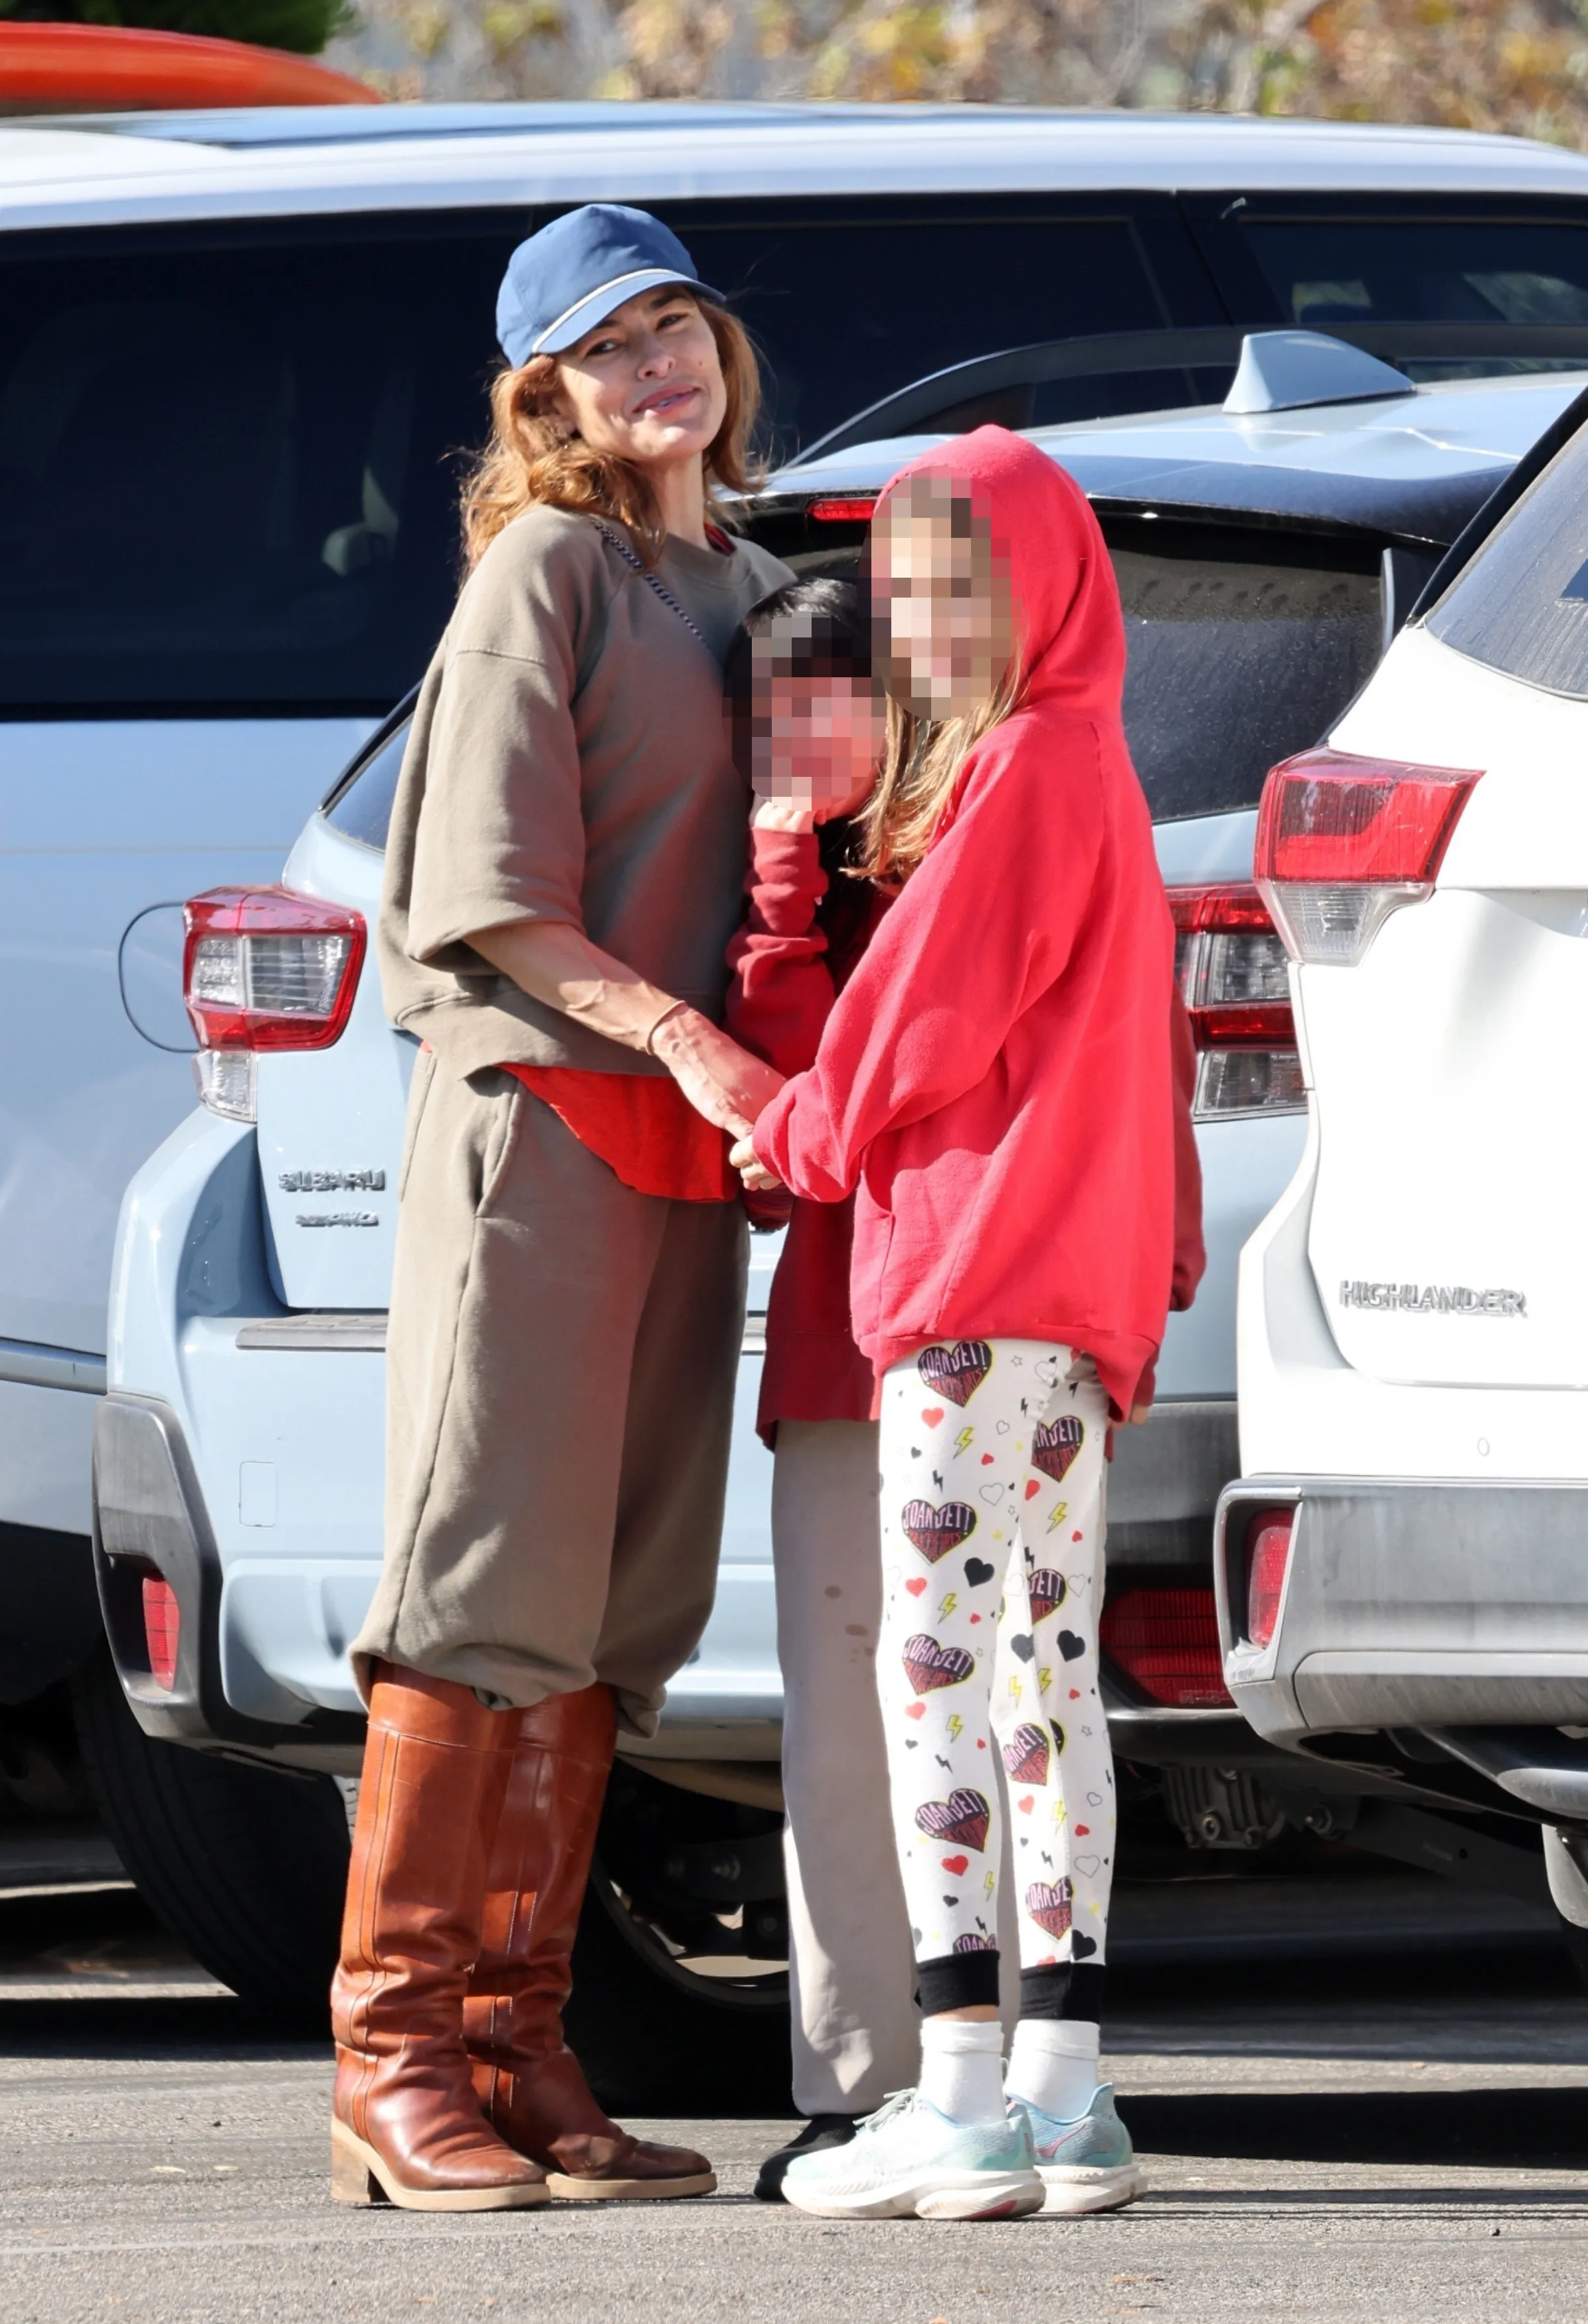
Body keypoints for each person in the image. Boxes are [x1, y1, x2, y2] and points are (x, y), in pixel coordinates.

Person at [329, 203, 792, 2214]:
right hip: (549, 1124)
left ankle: (521, 2041)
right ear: (550, 399)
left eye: (675, 323)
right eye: (607, 349)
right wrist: (691, 1041)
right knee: (479, 1583)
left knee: (611, 1615)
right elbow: (491, 893)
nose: (655, 368)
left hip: (697, 1157)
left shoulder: (760, 580)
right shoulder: (553, 570)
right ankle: (393, 2053)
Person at [732, 427, 1201, 2224]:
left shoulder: (1021, 767)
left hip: (964, 1275)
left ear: (1039, 584)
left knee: (931, 1671)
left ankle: (954, 2093)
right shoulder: (1103, 762)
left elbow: (914, 1024)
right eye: (907, 587)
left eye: (953, 586)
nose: (922, 623)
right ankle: (1067, 2095)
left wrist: (792, 1127)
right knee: (1041, 1675)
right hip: (1069, 1298)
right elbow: (1149, 1045)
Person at [720, 577, 921, 2197]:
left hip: (967, 1320)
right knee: (835, 1708)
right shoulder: (783, 883)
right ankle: (860, 2076)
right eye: (770, 716)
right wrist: (783, 892)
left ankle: (998, 2051)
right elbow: (776, 1156)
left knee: (975, 1704)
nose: (794, 744)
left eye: (821, 703)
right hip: (829, 1338)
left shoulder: (962, 853)